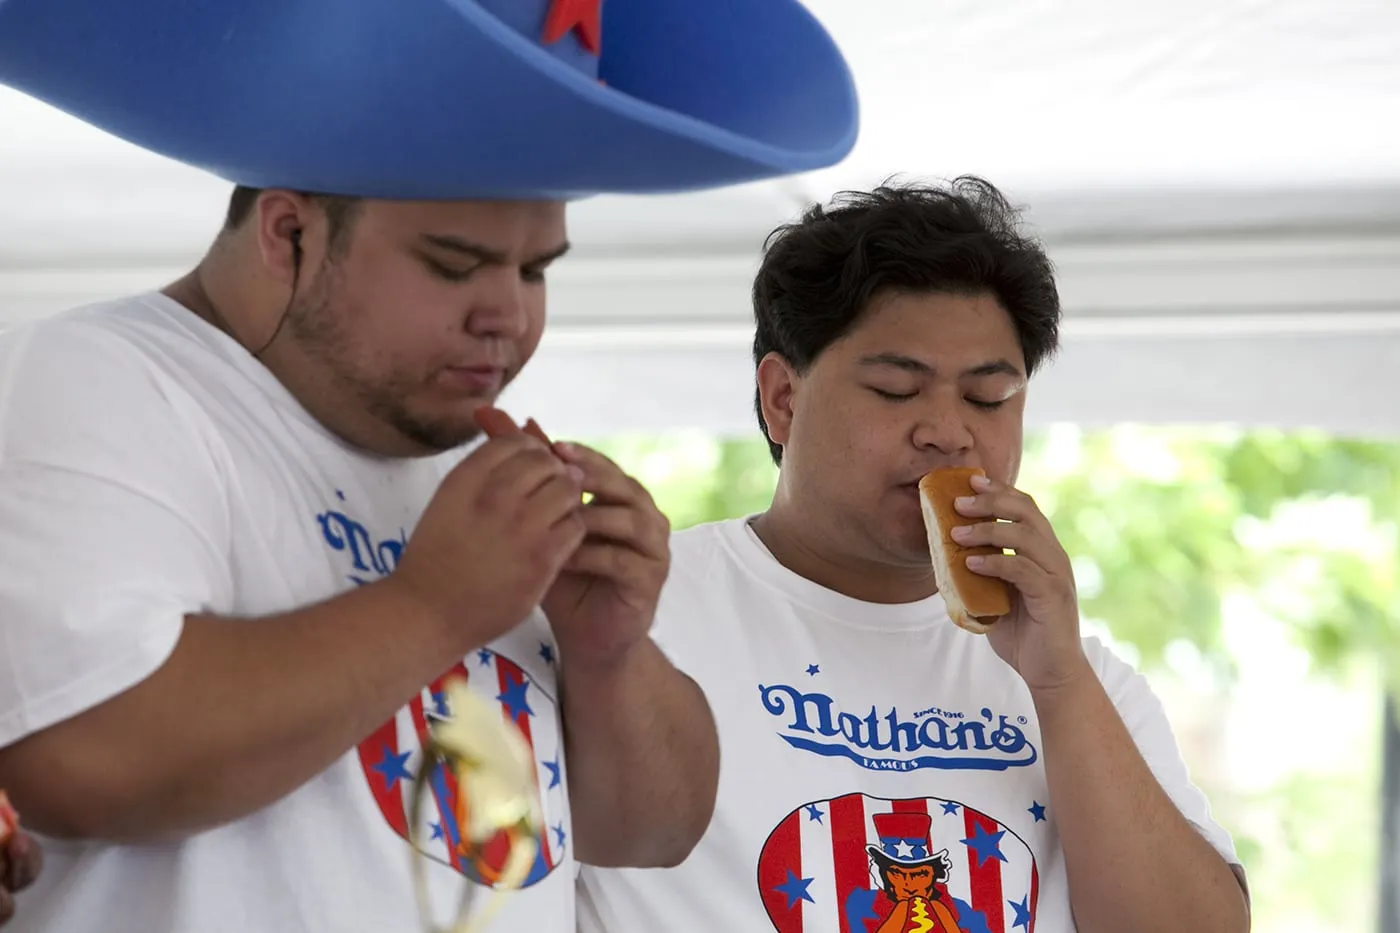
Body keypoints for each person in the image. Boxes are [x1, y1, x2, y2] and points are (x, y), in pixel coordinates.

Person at [0, 1, 858, 931]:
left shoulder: (459, 459)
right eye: (455, 266)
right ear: (288, 233)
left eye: (535, 272)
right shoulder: (101, 376)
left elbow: (650, 830)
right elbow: (81, 757)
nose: (509, 317)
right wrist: (433, 605)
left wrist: (610, 652)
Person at [577, 179, 1252, 933]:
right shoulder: (631, 614)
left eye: (989, 399)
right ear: (782, 399)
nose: (947, 432)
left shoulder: (1081, 678)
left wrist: (1059, 681)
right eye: (897, 390)